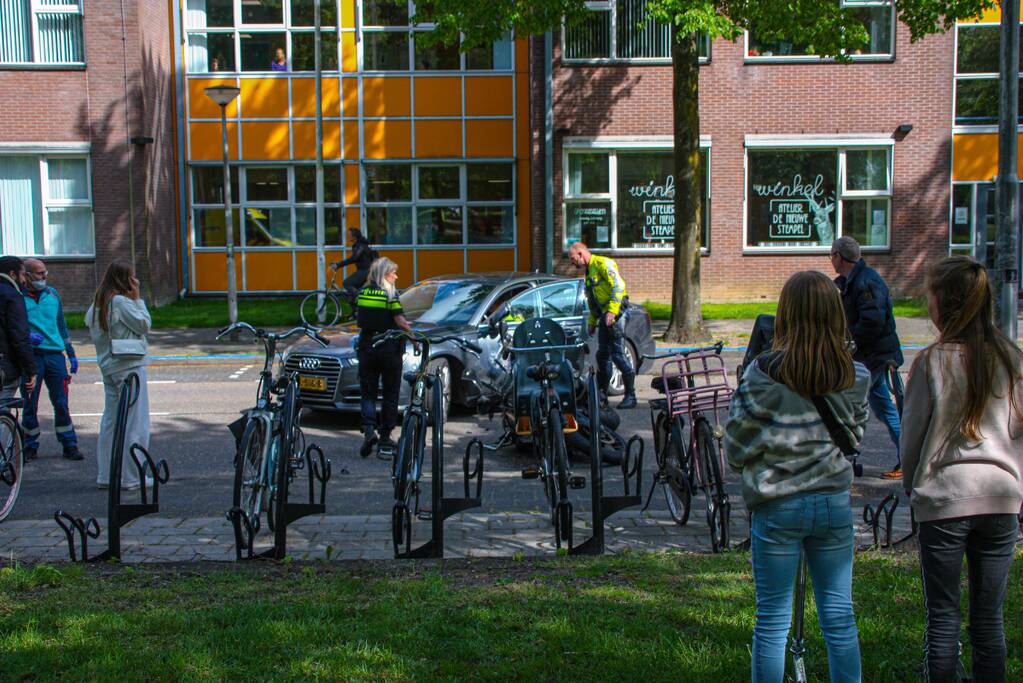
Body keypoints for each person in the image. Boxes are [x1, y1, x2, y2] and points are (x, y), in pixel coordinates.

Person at [725, 270, 869, 683]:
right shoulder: (856, 376)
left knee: (771, 621)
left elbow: (736, 445)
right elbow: (853, 438)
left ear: (785, 314)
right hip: (833, 502)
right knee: (840, 617)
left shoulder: (762, 374)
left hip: (778, 502)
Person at [900, 256, 1023, 683]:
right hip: (1001, 498)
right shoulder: (1012, 358)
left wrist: (914, 483)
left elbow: (911, 436)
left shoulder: (932, 361)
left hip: (945, 499)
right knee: (989, 620)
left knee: (943, 614)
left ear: (942, 304)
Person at [830, 236, 904, 479]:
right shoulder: (854, 281)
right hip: (872, 355)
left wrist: (848, 341)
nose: (831, 260)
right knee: (882, 407)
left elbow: (872, 321)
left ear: (839, 257)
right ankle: (906, 456)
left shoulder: (866, 282)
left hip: (875, 356)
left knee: (850, 403)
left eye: (831, 255)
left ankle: (845, 456)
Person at [85, 261, 152, 490]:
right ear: (125, 279)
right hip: (129, 366)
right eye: (133, 277)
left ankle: (107, 475)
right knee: (136, 422)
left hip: (109, 368)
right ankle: (133, 477)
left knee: (111, 422)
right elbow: (144, 324)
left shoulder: (97, 304)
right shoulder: (122, 302)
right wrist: (138, 298)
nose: (136, 281)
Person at [19, 258, 81, 462]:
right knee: (30, 403)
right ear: (27, 275)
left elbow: (61, 324)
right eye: (39, 273)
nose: (44, 277)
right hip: (31, 357)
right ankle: (29, 445)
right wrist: (25, 337)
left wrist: (70, 352)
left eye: (45, 272)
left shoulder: (52, 294)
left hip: (55, 356)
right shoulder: (18, 297)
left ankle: (69, 444)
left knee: (61, 402)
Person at [567, 241, 636, 409]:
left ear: (581, 254)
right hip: (605, 316)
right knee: (602, 356)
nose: (572, 262)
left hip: (616, 313)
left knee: (617, 354)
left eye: (572, 258)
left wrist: (612, 311)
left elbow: (619, 286)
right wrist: (592, 321)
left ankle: (631, 395)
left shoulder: (603, 263)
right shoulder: (589, 271)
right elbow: (592, 300)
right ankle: (601, 396)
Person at [356, 257, 412, 459]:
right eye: (393, 273)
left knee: (368, 393)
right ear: (384, 274)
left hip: (367, 347)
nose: (396, 276)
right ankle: (385, 436)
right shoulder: (390, 294)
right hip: (388, 349)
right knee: (390, 393)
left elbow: (361, 319)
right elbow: (401, 322)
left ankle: (369, 431)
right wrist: (414, 338)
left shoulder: (363, 293)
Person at [0, 256, 36, 402]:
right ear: (13, 274)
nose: (24, 280)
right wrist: (31, 370)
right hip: (5, 366)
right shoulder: (12, 296)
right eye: (22, 274)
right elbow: (19, 337)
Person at [332, 228, 376, 298]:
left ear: (355, 237)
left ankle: (359, 299)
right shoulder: (358, 245)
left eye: (349, 235)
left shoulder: (361, 246)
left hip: (366, 271)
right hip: (364, 270)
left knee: (347, 283)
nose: (347, 236)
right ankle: (356, 306)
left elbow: (354, 258)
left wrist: (338, 264)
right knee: (354, 291)